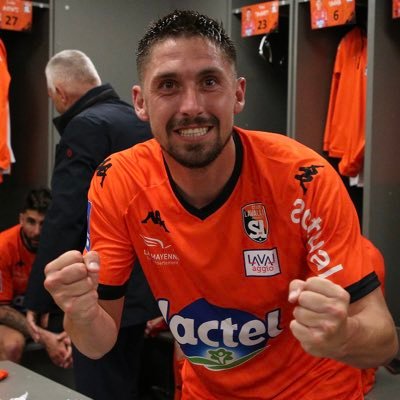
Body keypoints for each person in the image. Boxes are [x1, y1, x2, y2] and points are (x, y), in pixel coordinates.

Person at [43, 10, 398, 400]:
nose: (191, 106)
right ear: (140, 103)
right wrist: (79, 311)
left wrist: (344, 334)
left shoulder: (304, 178)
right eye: (168, 86)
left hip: (313, 390)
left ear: (239, 93)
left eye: (209, 81)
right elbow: (97, 342)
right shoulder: (118, 182)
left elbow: (383, 341)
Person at [23, 50, 159, 400]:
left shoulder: (84, 127)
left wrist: (39, 295)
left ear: (61, 93)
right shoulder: (138, 121)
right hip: (153, 284)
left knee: (103, 387)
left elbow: (66, 216)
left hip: (107, 288)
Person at [0, 187, 72, 368]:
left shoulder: (59, 243)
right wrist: (43, 336)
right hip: (8, 316)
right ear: (21, 219)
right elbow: (1, 310)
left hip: (41, 314)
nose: (37, 231)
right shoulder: (4, 247)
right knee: (12, 345)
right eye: (31, 222)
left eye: (43, 224)